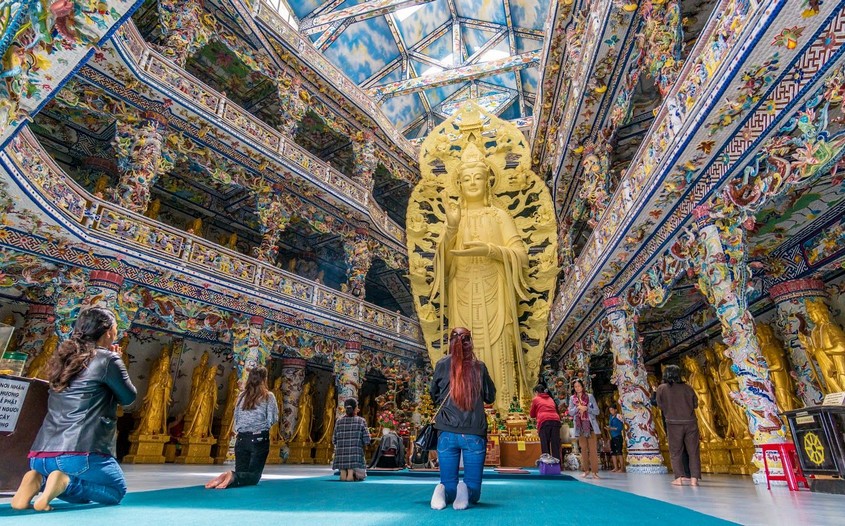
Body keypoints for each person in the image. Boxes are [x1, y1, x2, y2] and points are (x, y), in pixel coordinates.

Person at [433, 141, 529, 411]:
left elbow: (520, 255)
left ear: (488, 181)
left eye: (478, 177)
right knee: (462, 350)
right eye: (466, 178)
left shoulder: (499, 216)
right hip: (461, 293)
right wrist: (451, 229)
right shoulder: (454, 219)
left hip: (496, 295)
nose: (473, 183)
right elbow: (443, 266)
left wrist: (491, 250)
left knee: (499, 351)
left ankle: (506, 410)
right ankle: (462, 410)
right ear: (459, 184)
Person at [11, 307, 137, 511]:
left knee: (80, 495)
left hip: (40, 455)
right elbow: (129, 397)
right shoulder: (108, 359)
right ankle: (65, 482)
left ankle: (37, 480)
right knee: (114, 491)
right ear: (107, 333)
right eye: (115, 329)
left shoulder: (64, 358)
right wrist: (118, 362)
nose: (115, 334)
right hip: (80, 453)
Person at [430, 327, 496, 510]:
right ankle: (464, 492)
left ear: (450, 342)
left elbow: (433, 394)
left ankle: (442, 491)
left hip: (446, 432)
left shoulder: (442, 364)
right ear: (470, 343)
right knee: (474, 492)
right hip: (473, 432)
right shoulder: (479, 367)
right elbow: (490, 397)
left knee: (448, 481)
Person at [205, 366, 278, 489]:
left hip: (241, 439)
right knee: (253, 477)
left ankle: (229, 477)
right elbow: (273, 419)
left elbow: (236, 416)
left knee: (242, 475)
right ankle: (230, 475)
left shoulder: (242, 396)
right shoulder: (268, 396)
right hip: (258, 438)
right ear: (264, 379)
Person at [656, 364, 701, 486]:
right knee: (693, 451)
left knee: (676, 451)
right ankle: (694, 478)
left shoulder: (662, 388)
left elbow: (660, 405)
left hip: (673, 423)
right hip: (691, 422)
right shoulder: (688, 387)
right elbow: (695, 404)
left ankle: (679, 478)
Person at [568, 379, 601, 479]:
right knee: (583, 449)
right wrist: (578, 408)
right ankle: (586, 470)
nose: (577, 388)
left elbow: (597, 411)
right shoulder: (572, 398)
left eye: (579, 386)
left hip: (590, 427)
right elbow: (570, 412)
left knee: (593, 450)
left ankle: (594, 472)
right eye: (575, 386)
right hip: (580, 427)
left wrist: (587, 409)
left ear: (582, 387)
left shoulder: (589, 397)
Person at [332, 399, 371, 481]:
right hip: (355, 457)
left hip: (341, 456)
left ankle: (343, 471)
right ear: (355, 408)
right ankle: (351, 472)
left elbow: (334, 440)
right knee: (362, 475)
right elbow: (367, 439)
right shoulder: (361, 421)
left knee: (344, 455)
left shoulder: (339, 421)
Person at [529, 384, 561, 460]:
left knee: (545, 444)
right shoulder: (550, 398)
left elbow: (532, 414)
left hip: (544, 421)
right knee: (555, 444)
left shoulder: (536, 399)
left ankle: (547, 464)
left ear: (536, 392)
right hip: (556, 421)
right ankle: (557, 465)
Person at [607, 406, 625, 472]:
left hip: (618, 435)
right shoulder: (611, 417)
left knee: (619, 452)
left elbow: (620, 427)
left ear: (615, 410)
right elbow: (610, 426)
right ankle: (616, 467)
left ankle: (622, 467)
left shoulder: (618, 416)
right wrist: (609, 428)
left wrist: (612, 428)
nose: (611, 411)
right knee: (613, 452)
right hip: (612, 436)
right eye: (610, 410)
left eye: (612, 410)